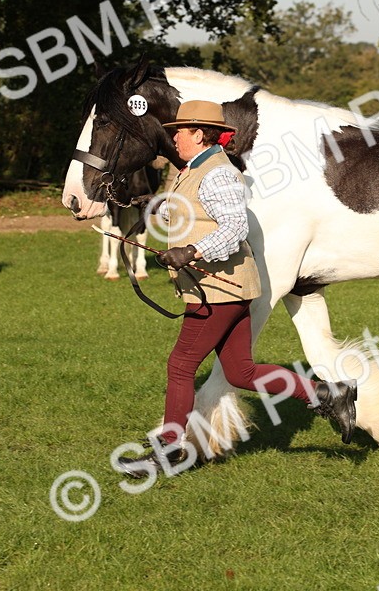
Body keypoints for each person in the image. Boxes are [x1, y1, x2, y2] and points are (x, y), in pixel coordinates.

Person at [115, 100, 357, 478]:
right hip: (220, 288)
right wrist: (148, 204)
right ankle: (327, 394)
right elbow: (194, 211)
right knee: (241, 371)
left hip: (219, 290)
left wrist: (191, 251)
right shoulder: (196, 169)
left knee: (180, 365)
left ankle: (171, 447)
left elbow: (233, 229)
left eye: (179, 132)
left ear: (199, 134)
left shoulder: (218, 173)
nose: (173, 138)